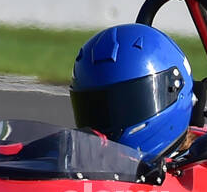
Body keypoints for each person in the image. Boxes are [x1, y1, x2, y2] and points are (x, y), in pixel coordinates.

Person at [69, 23, 195, 162]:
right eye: (95, 111)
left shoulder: (203, 174)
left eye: (125, 107)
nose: (103, 131)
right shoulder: (79, 166)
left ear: (173, 88)